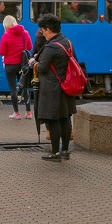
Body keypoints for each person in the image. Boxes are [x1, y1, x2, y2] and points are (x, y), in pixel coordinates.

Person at [33, 14, 77, 162]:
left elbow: (43, 67)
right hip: (67, 86)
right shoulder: (67, 42)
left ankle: (55, 153)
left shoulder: (51, 46)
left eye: (43, 30)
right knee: (65, 118)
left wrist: (34, 63)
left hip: (52, 87)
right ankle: (65, 150)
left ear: (49, 29)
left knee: (53, 120)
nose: (42, 33)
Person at [0, 15, 33, 120]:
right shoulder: (25, 33)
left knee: (13, 89)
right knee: (24, 87)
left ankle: (16, 113)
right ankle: (28, 112)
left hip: (10, 66)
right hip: (23, 65)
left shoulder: (6, 35)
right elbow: (30, 47)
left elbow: (2, 52)